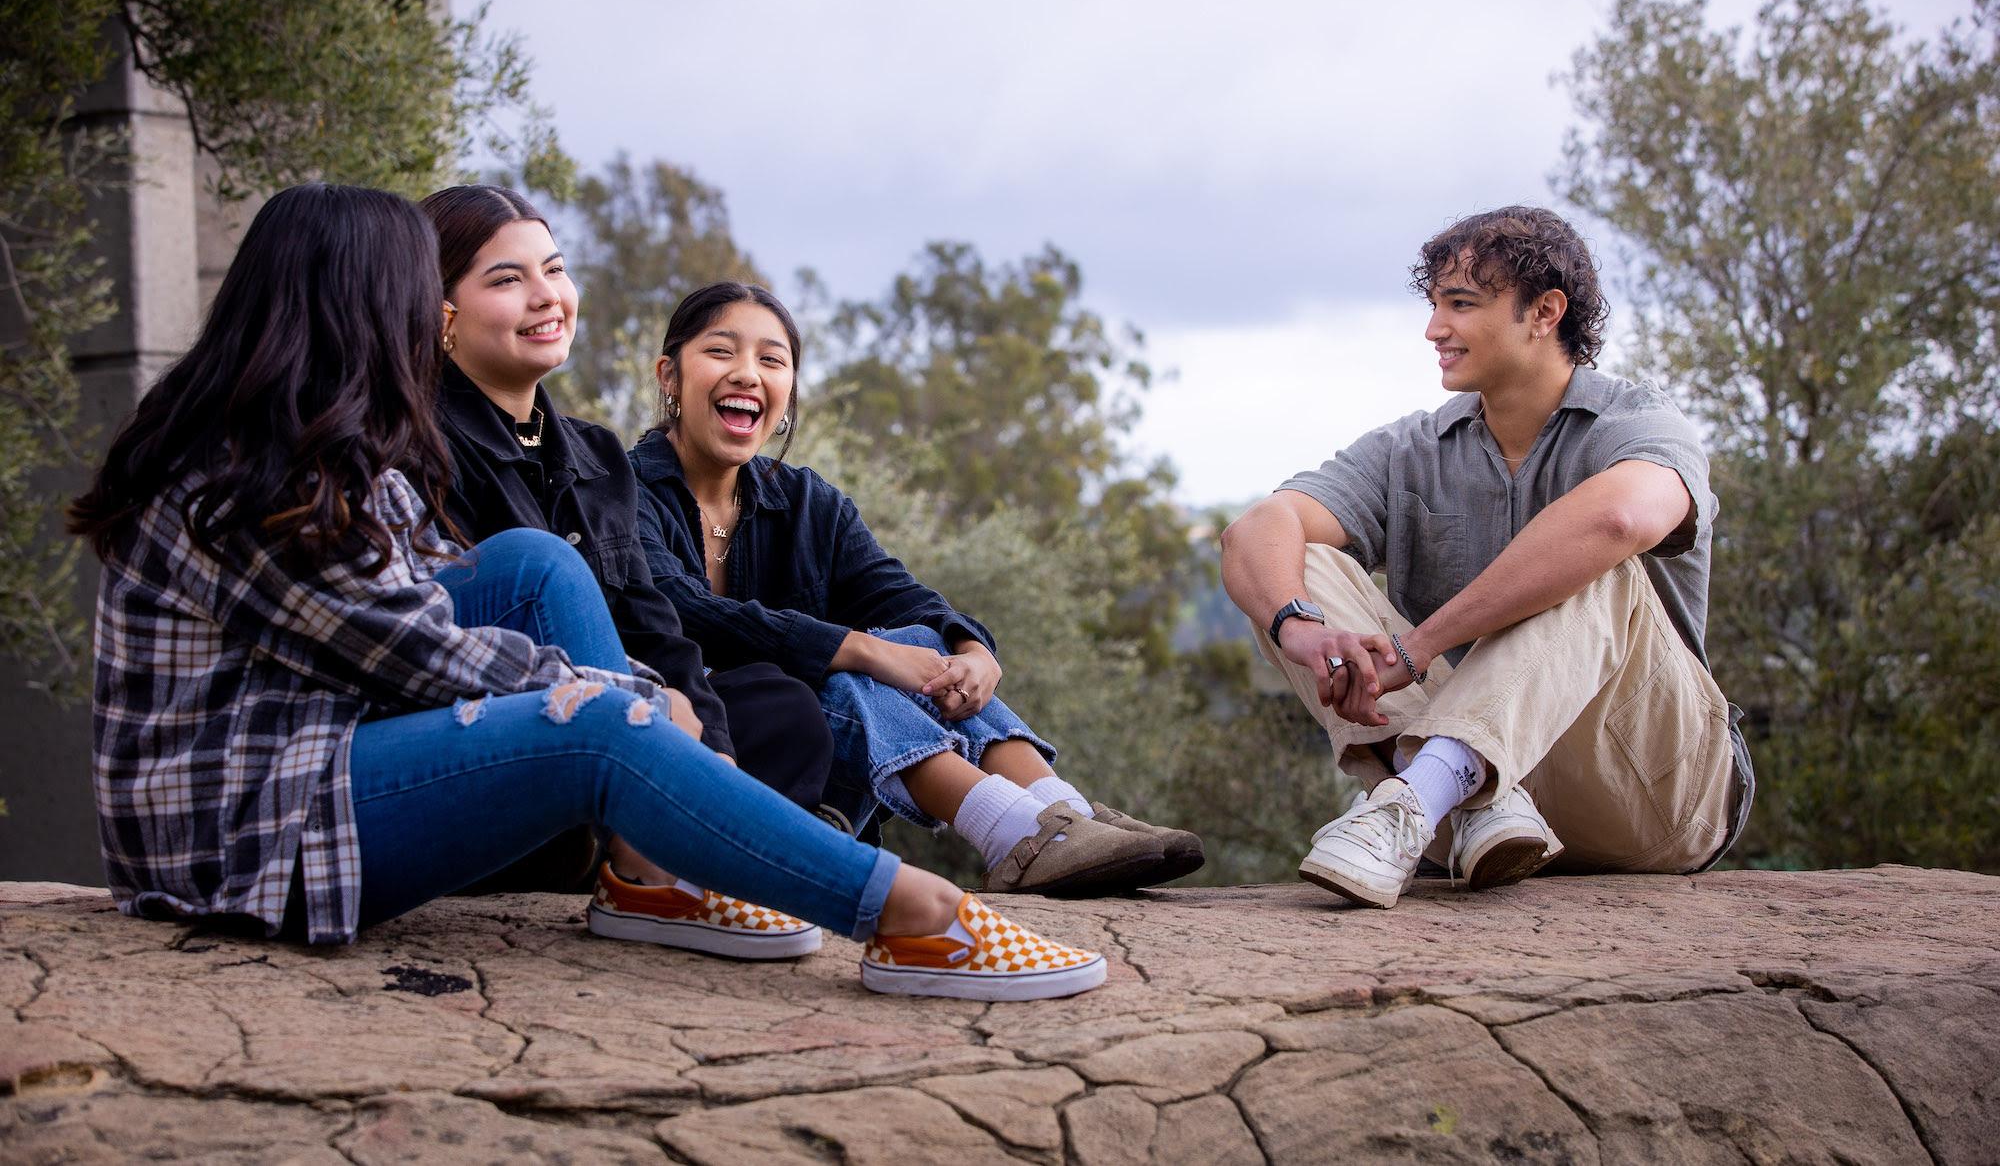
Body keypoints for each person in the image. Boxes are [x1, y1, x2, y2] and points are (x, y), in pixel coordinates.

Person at [66, 181, 1105, 1001]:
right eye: (407, 299)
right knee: (600, 726)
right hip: (248, 833)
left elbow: (445, 596)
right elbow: (417, 653)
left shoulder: (312, 446)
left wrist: (631, 687)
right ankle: (907, 912)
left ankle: (651, 871)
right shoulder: (251, 476)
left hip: (304, 760)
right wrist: (633, 703)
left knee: (534, 563)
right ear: (358, 310)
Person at [1219, 205, 1754, 909]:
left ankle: (1423, 791)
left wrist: (1423, 643)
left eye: (1461, 304)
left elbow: (1623, 515)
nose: (1434, 328)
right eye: (1436, 303)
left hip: (1648, 791)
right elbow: (1259, 527)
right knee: (1297, 562)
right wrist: (1299, 625)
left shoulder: (1639, 422)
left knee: (1599, 555)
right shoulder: (1410, 449)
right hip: (1496, 819)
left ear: (1544, 312)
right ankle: (1458, 795)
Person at [630, 282, 1204, 896]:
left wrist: (973, 651)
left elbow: (899, 594)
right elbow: (678, 610)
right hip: (706, 744)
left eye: (771, 361)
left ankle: (1062, 815)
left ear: (789, 391)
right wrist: (864, 650)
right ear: (670, 374)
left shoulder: (805, 503)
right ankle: (1018, 834)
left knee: (914, 637)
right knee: (845, 664)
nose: (747, 374)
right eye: (722, 352)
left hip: (806, 761)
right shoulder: (621, 486)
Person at [419, 184, 832, 901]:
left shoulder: (594, 453)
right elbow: (465, 636)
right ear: (441, 312)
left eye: (554, 269)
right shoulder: (417, 447)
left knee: (780, 708)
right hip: (519, 722)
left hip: (626, 711)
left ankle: (666, 835)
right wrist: (644, 696)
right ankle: (643, 853)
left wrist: (713, 749)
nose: (547, 296)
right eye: (508, 279)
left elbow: (655, 623)